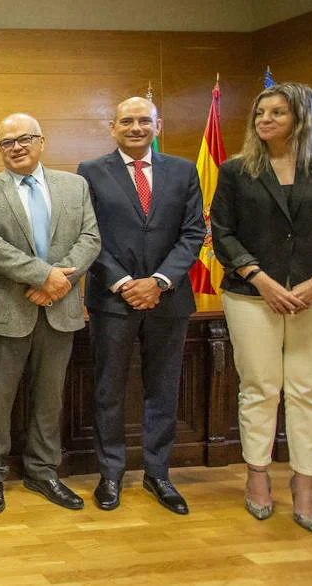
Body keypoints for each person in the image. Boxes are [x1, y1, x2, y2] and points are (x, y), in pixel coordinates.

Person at [210, 82, 312, 533]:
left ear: (301, 118)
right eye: (261, 112)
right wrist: (260, 278)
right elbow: (223, 232)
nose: (265, 119)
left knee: (308, 389)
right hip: (252, 294)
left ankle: (305, 481)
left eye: (277, 112)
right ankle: (257, 474)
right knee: (260, 385)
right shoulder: (237, 170)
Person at [77, 98, 205, 515]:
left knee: (164, 389)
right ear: (112, 127)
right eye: (126, 121)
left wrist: (160, 281)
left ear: (158, 125)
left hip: (169, 299)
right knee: (109, 389)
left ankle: (158, 473)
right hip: (113, 299)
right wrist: (126, 283)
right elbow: (88, 235)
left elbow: (192, 233)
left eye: (143, 120)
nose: (135, 127)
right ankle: (110, 473)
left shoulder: (184, 171)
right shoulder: (91, 172)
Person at [0, 113, 100, 514]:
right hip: (6, 309)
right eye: (7, 142)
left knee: (49, 396)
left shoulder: (74, 186)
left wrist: (59, 282)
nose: (16, 147)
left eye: (24, 139)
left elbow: (90, 238)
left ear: (41, 141)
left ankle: (43, 471)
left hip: (60, 310)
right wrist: (46, 276)